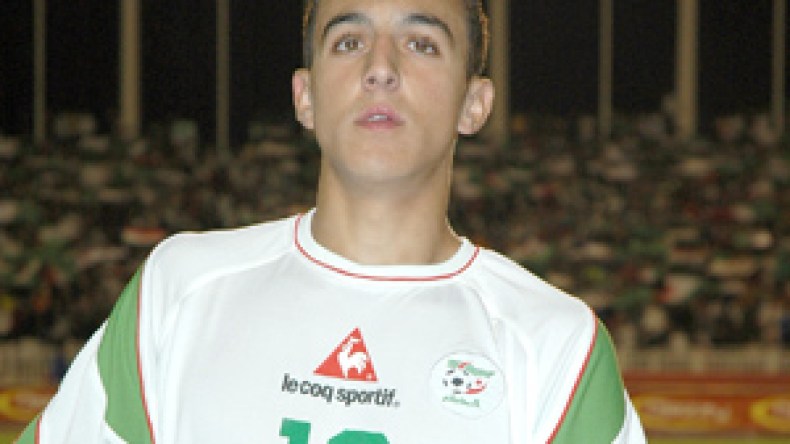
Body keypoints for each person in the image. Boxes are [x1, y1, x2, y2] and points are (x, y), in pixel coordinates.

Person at [18, 0, 645, 442]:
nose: (381, 66)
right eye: (348, 41)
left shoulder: (557, 348)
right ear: (305, 97)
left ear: (474, 104)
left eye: (422, 43)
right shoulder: (178, 291)